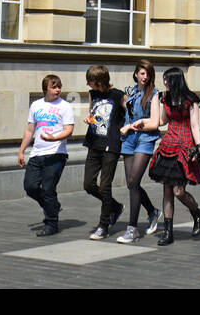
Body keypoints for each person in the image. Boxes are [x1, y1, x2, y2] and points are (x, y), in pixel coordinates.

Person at [148, 67, 200, 245]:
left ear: (175, 80)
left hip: (184, 146)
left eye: (166, 79)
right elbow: (162, 121)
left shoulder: (191, 101)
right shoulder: (165, 99)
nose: (164, 82)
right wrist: (144, 120)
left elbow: (195, 126)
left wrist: (199, 148)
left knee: (178, 191)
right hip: (168, 145)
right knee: (167, 190)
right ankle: (168, 232)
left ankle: (198, 213)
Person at [17, 74, 75, 237]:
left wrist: (54, 138)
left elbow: (68, 130)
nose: (57, 90)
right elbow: (30, 130)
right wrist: (22, 150)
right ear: (45, 89)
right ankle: (53, 206)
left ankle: (51, 223)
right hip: (37, 153)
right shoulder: (36, 105)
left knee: (49, 188)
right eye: (54, 87)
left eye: (59, 86)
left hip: (56, 154)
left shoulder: (65, 106)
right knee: (30, 187)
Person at [115, 60, 160, 242]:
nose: (145, 77)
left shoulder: (154, 94)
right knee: (131, 183)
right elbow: (125, 113)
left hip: (145, 139)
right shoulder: (129, 92)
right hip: (128, 140)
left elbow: (155, 122)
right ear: (135, 74)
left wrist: (134, 126)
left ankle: (132, 229)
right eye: (142, 73)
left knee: (134, 180)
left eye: (148, 74)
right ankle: (152, 211)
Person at [83, 65, 125, 240]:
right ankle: (115, 207)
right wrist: (88, 118)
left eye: (90, 81)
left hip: (111, 145)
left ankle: (103, 225)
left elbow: (131, 113)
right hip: (94, 142)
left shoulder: (118, 95)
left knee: (105, 186)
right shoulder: (93, 94)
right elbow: (92, 112)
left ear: (99, 81)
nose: (87, 84)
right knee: (89, 185)